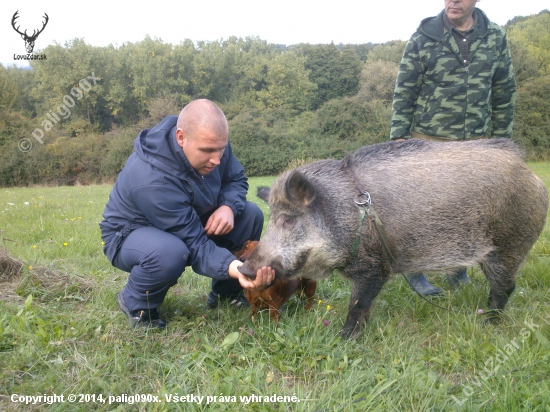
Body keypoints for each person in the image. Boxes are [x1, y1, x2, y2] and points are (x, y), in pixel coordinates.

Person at [100, 99, 275, 329]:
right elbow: (193, 243)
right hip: (131, 234)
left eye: (221, 149)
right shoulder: (150, 178)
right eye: (207, 151)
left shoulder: (214, 142)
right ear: (181, 138)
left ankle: (226, 295)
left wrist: (228, 207)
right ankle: (137, 302)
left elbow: (235, 179)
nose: (217, 159)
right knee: (170, 252)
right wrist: (238, 268)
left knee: (250, 214)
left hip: (187, 219)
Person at [390, 0, 517, 295]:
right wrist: (399, 137)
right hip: (427, 140)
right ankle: (415, 272)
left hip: (474, 143)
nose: (453, 1)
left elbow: (503, 91)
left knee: (466, 211)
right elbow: (405, 88)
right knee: (418, 211)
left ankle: (457, 269)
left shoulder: (495, 37)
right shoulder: (425, 36)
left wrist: (502, 142)